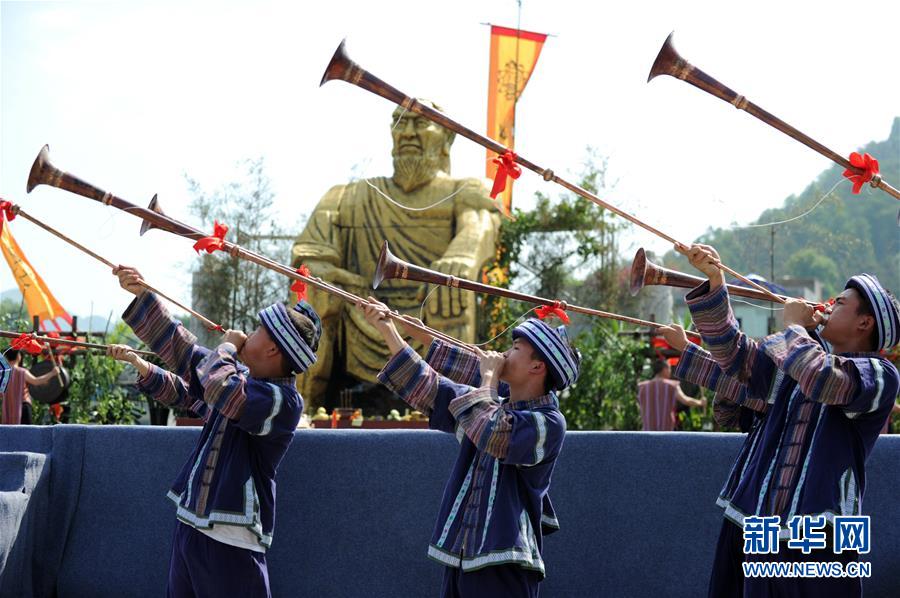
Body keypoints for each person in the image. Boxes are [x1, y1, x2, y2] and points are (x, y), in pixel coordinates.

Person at [678, 243, 900, 597]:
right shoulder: (800, 357)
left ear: (864, 322)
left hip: (820, 533)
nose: (827, 306)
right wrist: (715, 281)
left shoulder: (881, 374)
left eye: (839, 302)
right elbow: (735, 356)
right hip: (760, 523)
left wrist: (795, 326)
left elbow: (824, 379)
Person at [107, 265, 321, 598]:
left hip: (231, 537)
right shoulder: (241, 379)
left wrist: (226, 347)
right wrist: (144, 295)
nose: (250, 333)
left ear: (273, 350)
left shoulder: (283, 401)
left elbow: (220, 388)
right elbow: (187, 360)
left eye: (260, 329)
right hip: (191, 522)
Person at [359, 297, 579, 598]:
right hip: (462, 556)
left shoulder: (549, 422)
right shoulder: (491, 402)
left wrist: (489, 377)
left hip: (506, 563)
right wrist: (388, 329)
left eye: (515, 349)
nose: (504, 353)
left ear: (538, 366)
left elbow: (492, 430)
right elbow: (430, 386)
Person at [292, 101, 500, 405]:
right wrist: (328, 277)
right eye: (400, 123)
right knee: (314, 288)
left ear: (447, 138)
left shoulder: (464, 190)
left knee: (452, 289)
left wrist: (461, 259)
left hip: (430, 307)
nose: (408, 133)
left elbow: (480, 226)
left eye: (421, 123)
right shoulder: (349, 196)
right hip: (362, 307)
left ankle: (458, 406)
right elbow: (311, 255)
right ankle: (302, 403)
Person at [637, 358, 707, 431]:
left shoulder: (642, 387)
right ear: (664, 369)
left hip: (647, 430)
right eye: (669, 368)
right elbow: (686, 400)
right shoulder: (672, 386)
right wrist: (700, 402)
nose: (670, 371)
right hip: (665, 431)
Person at [0, 348, 60, 425]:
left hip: (8, 408)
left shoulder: (2, 374)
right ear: (19, 357)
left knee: (10, 433)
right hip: (23, 407)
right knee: (26, 434)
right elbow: (36, 381)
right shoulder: (22, 372)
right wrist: (52, 373)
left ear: (6, 358)